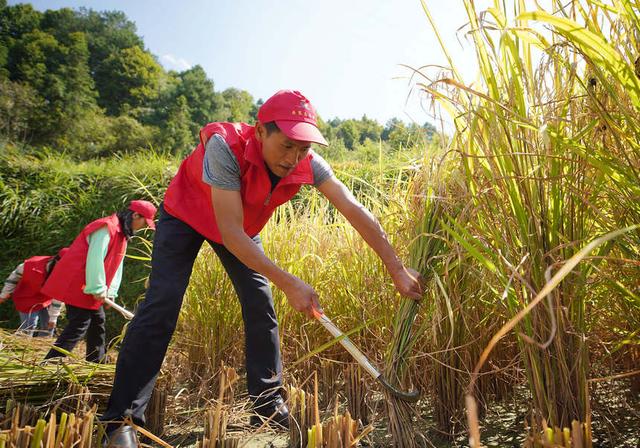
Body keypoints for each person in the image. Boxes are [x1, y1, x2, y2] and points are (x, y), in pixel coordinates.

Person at [101, 90, 423, 447]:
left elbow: (352, 207)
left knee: (260, 302)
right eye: (286, 145)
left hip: (240, 226)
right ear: (259, 132)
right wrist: (289, 282)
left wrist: (396, 268)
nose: (293, 158)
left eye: (302, 149)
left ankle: (267, 403)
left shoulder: (308, 163)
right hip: (187, 215)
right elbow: (231, 233)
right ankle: (121, 421)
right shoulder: (224, 148)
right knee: (162, 303)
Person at [41, 200, 157, 363]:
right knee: (80, 323)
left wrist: (110, 292)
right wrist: (97, 288)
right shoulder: (106, 227)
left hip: (90, 285)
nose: (143, 227)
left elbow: (116, 265)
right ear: (135, 215)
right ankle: (50, 362)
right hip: (77, 283)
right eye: (144, 222)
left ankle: (96, 359)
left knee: (98, 320)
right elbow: (95, 259)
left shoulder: (122, 234)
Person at [0, 248, 67, 337]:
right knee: (28, 327)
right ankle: (22, 346)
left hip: (46, 299)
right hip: (26, 297)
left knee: (49, 327)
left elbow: (58, 297)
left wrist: (53, 318)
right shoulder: (32, 265)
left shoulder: (65, 276)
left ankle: (43, 347)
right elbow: (14, 277)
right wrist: (4, 294)